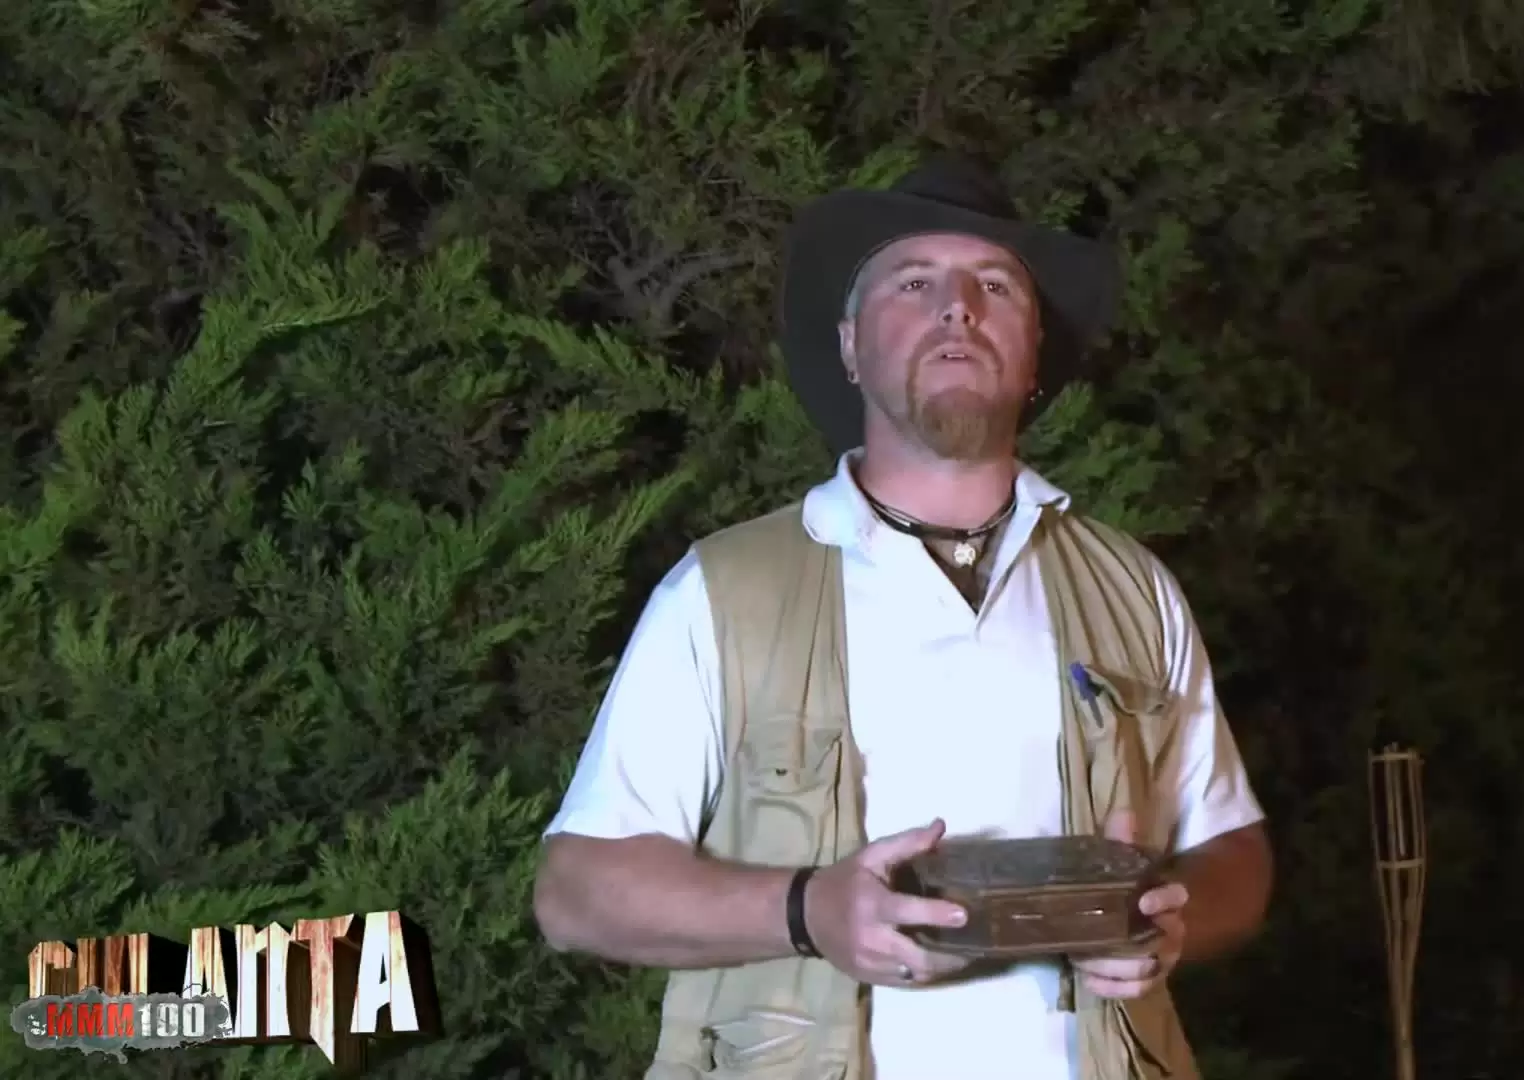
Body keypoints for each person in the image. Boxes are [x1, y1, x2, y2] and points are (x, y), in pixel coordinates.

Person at [533, 152, 1273, 1080]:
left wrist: (1173, 919)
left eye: (995, 285)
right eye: (914, 282)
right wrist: (807, 911)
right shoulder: (723, 592)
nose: (958, 307)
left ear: (1034, 350)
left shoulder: (1133, 588)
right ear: (850, 345)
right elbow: (575, 893)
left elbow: (1232, 851)